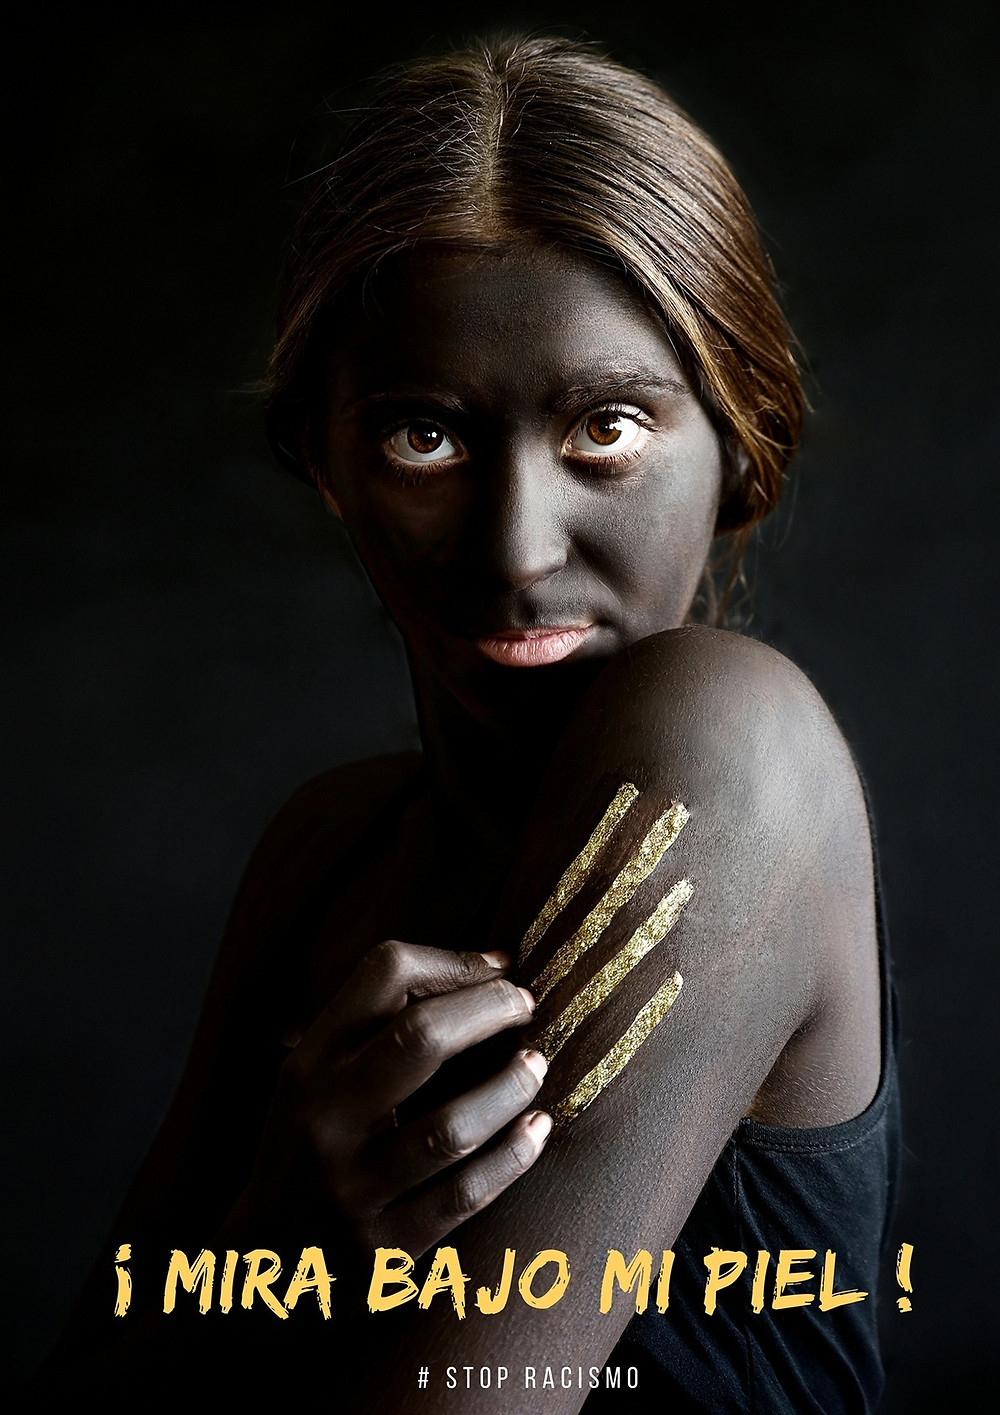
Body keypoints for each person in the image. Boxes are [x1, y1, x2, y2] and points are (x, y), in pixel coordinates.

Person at [46, 34, 899, 1412]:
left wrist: (267, 1286)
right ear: (324, 462)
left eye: (606, 428)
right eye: (423, 438)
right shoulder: (324, 850)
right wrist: (280, 1247)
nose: (515, 550)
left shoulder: (732, 747)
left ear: (741, 445)